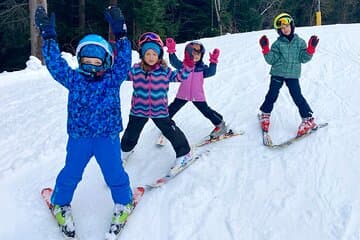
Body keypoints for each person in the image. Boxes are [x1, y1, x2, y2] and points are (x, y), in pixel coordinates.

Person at [35, 5, 133, 238]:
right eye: (86, 60)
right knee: (71, 172)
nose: (91, 65)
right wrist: (48, 37)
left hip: (107, 138)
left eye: (97, 62)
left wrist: (121, 35)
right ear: (79, 60)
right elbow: (55, 64)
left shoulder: (112, 79)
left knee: (114, 173)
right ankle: (60, 202)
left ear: (107, 62)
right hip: (79, 138)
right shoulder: (74, 79)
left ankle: (123, 202)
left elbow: (124, 62)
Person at [121, 32, 194, 172]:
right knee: (131, 132)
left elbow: (179, 77)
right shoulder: (136, 70)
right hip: (138, 110)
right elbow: (121, 75)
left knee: (170, 131)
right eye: (147, 54)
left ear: (159, 55)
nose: (151, 57)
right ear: (142, 55)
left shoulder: (164, 71)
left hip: (159, 110)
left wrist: (188, 65)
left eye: (154, 54)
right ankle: (125, 152)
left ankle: (184, 153)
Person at [258, 13, 319, 136]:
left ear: (291, 25)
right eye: (282, 28)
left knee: (297, 96)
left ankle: (308, 119)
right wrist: (266, 49)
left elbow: (303, 58)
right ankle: (265, 114)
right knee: (272, 94)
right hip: (277, 73)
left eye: (287, 26)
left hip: (292, 74)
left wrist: (310, 50)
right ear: (279, 30)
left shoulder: (300, 43)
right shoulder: (277, 44)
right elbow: (271, 60)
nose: (285, 29)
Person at [165, 38, 227, 138]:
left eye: (198, 54)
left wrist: (214, 61)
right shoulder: (183, 66)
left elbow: (211, 72)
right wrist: (171, 51)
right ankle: (165, 122)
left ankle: (220, 124)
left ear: (201, 56)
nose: (195, 56)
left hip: (197, 96)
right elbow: (174, 62)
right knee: (172, 108)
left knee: (206, 111)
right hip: (183, 94)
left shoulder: (202, 69)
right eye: (192, 53)